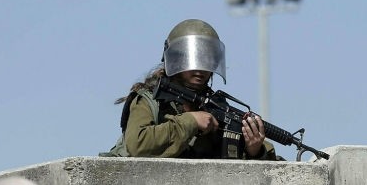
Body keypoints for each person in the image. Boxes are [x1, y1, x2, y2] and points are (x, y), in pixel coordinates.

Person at [102, 19, 277, 160]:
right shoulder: (150, 100)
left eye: (206, 60)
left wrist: (254, 150)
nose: (200, 68)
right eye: (192, 59)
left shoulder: (217, 107)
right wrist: (191, 121)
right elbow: (137, 144)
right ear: (175, 60)